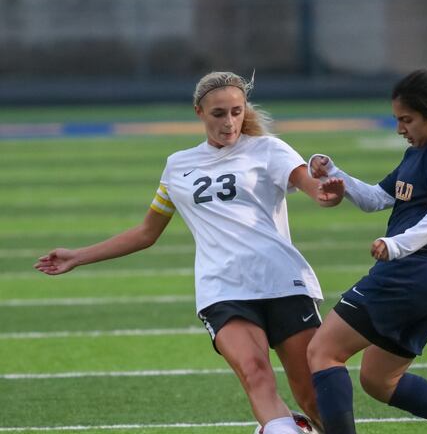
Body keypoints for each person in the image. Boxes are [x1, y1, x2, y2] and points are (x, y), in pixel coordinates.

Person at [33, 72, 343, 434]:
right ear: (199, 112)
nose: (228, 122)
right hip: (222, 289)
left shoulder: (269, 149)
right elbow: (148, 232)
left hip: (283, 282)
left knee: (310, 395)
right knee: (255, 374)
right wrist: (78, 256)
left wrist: (326, 193)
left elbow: (310, 184)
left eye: (236, 112)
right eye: (218, 114)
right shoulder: (177, 165)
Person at [304, 58, 427, 434]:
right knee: (380, 381)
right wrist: (335, 174)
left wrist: (396, 246)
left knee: (322, 351)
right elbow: (377, 198)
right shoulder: (421, 150)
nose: (399, 128)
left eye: (406, 120)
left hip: (412, 273)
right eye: (397, 119)